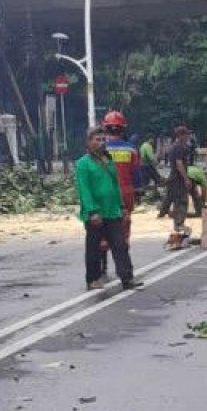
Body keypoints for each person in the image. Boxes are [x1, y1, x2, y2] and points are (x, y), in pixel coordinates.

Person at [75, 128, 142, 291]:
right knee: (94, 247)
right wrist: (92, 211)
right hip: (95, 212)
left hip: (112, 210)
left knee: (120, 244)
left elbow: (115, 185)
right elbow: (84, 190)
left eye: (103, 139)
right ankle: (93, 279)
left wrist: (121, 206)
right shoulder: (83, 164)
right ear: (89, 142)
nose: (101, 143)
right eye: (97, 139)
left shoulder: (108, 161)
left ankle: (127, 278)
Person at [102, 111, 140, 240]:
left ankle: (105, 243)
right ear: (123, 130)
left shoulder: (100, 150)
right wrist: (138, 191)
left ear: (105, 130)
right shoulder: (131, 149)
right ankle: (123, 244)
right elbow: (136, 173)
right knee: (125, 220)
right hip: (126, 192)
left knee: (105, 221)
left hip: (105, 192)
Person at [163, 125, 193, 231]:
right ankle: (179, 224)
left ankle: (177, 225)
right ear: (181, 135)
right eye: (186, 135)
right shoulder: (179, 147)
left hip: (174, 177)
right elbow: (179, 164)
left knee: (176, 201)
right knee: (182, 201)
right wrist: (186, 179)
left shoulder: (175, 146)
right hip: (178, 178)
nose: (188, 137)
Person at [138, 133, 162, 198]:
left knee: (145, 181)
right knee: (157, 179)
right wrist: (158, 164)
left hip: (142, 166)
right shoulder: (148, 146)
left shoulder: (143, 145)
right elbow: (151, 157)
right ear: (150, 139)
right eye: (153, 139)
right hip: (147, 166)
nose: (153, 141)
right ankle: (154, 193)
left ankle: (145, 195)